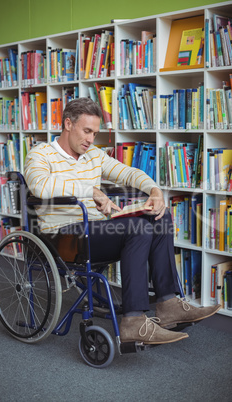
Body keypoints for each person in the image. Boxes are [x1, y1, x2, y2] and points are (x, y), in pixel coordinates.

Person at [24, 97, 220, 345]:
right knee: (136, 227)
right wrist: (91, 191)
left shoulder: (93, 155)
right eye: (86, 131)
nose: (90, 139)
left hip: (94, 229)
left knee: (160, 216)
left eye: (94, 133)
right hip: (63, 236)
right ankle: (133, 321)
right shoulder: (40, 154)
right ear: (67, 124)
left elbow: (128, 173)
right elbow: (40, 185)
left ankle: (168, 304)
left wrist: (155, 192)